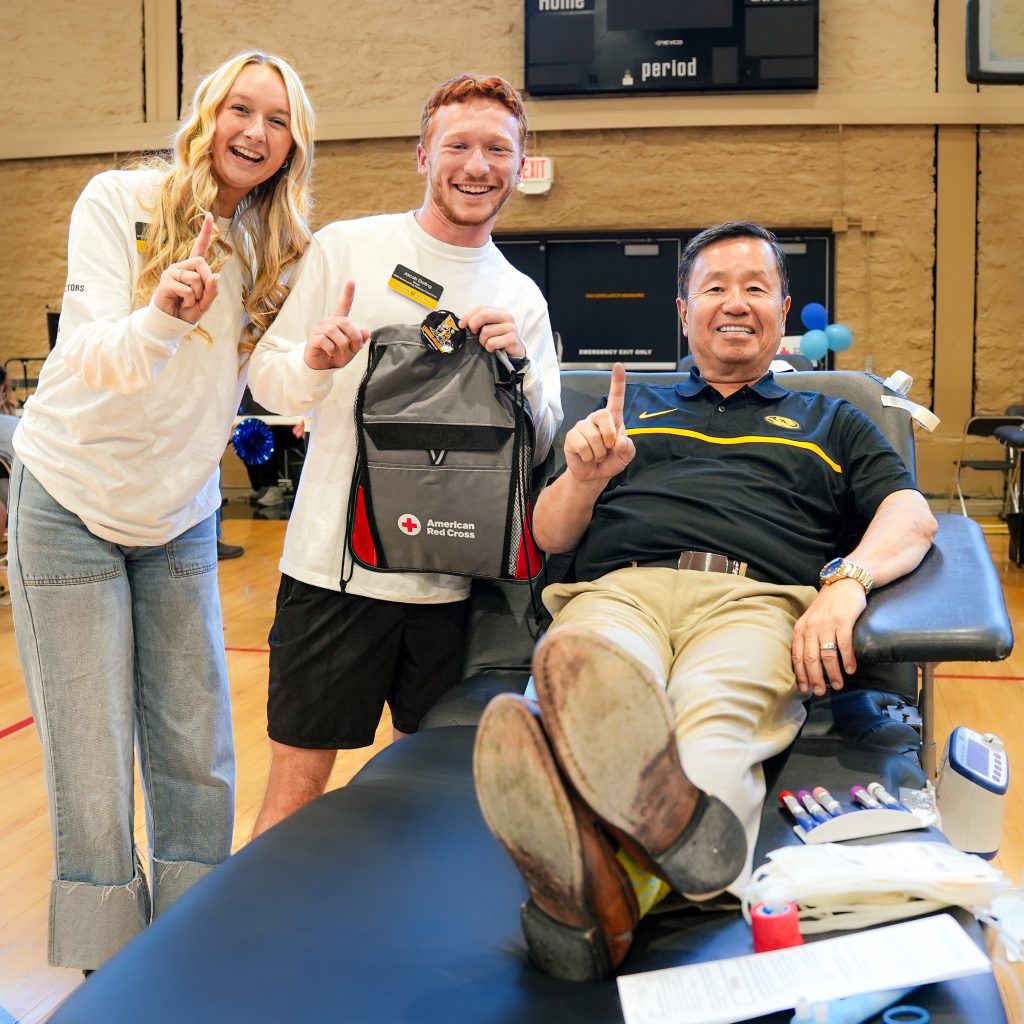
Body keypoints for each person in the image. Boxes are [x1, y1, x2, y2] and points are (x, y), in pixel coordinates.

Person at [473, 221, 937, 982]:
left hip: (753, 602)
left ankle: (600, 880)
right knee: (595, 675)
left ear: (783, 310)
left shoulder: (836, 421)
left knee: (715, 720)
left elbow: (910, 516)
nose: (735, 303)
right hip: (618, 589)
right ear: (683, 311)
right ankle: (645, 853)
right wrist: (586, 476)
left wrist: (845, 585)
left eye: (755, 287)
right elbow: (548, 533)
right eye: (714, 288)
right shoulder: (628, 409)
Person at [7, 50, 315, 972]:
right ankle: (108, 954)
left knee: (197, 742)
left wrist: (322, 357)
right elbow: (87, 357)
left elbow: (269, 380)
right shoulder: (119, 201)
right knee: (91, 751)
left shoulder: (280, 244)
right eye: (240, 110)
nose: (254, 133)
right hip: (68, 498)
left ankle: (192, 936)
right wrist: (164, 316)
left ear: (293, 143)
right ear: (207, 113)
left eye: (277, 119)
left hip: (176, 513)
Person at [247, 73, 563, 837]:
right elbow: (268, 385)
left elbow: (546, 440)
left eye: (498, 149)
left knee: (421, 799)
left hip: (454, 590)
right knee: (294, 795)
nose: (477, 165)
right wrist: (316, 364)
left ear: (521, 167)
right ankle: (261, 952)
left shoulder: (521, 295)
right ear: (424, 155)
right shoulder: (349, 247)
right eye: (458, 145)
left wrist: (517, 371)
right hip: (332, 573)